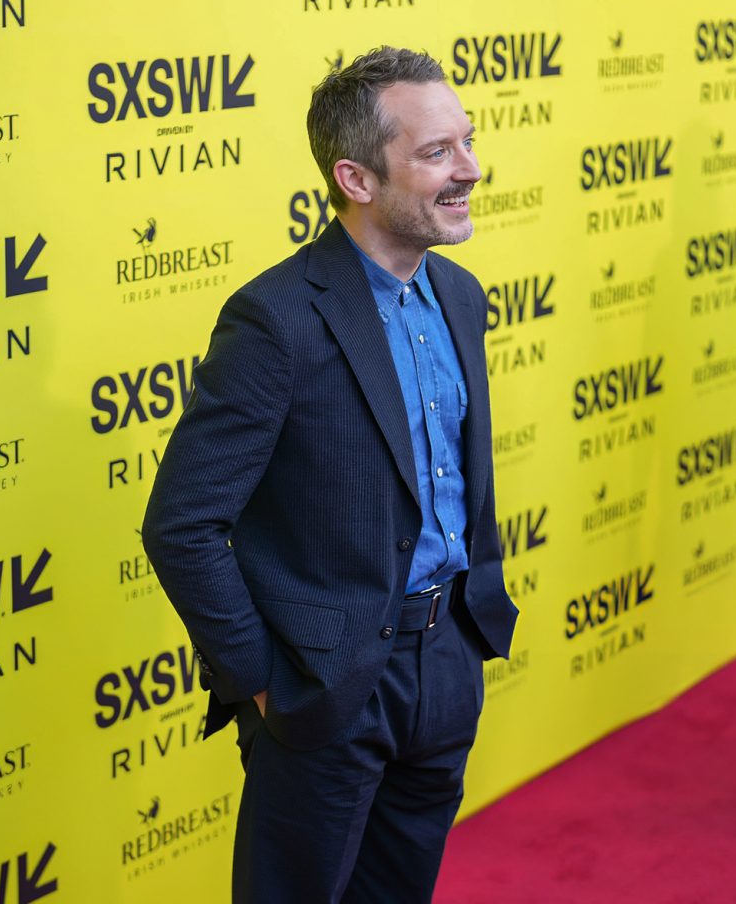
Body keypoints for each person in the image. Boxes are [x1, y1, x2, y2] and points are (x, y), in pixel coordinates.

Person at [142, 45, 519, 904]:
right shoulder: (276, 319)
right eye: (437, 152)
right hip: (325, 685)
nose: (470, 169)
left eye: (467, 141)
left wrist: (465, 632)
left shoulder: (461, 296)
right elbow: (183, 524)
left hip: (448, 660)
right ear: (355, 178)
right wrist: (262, 681)